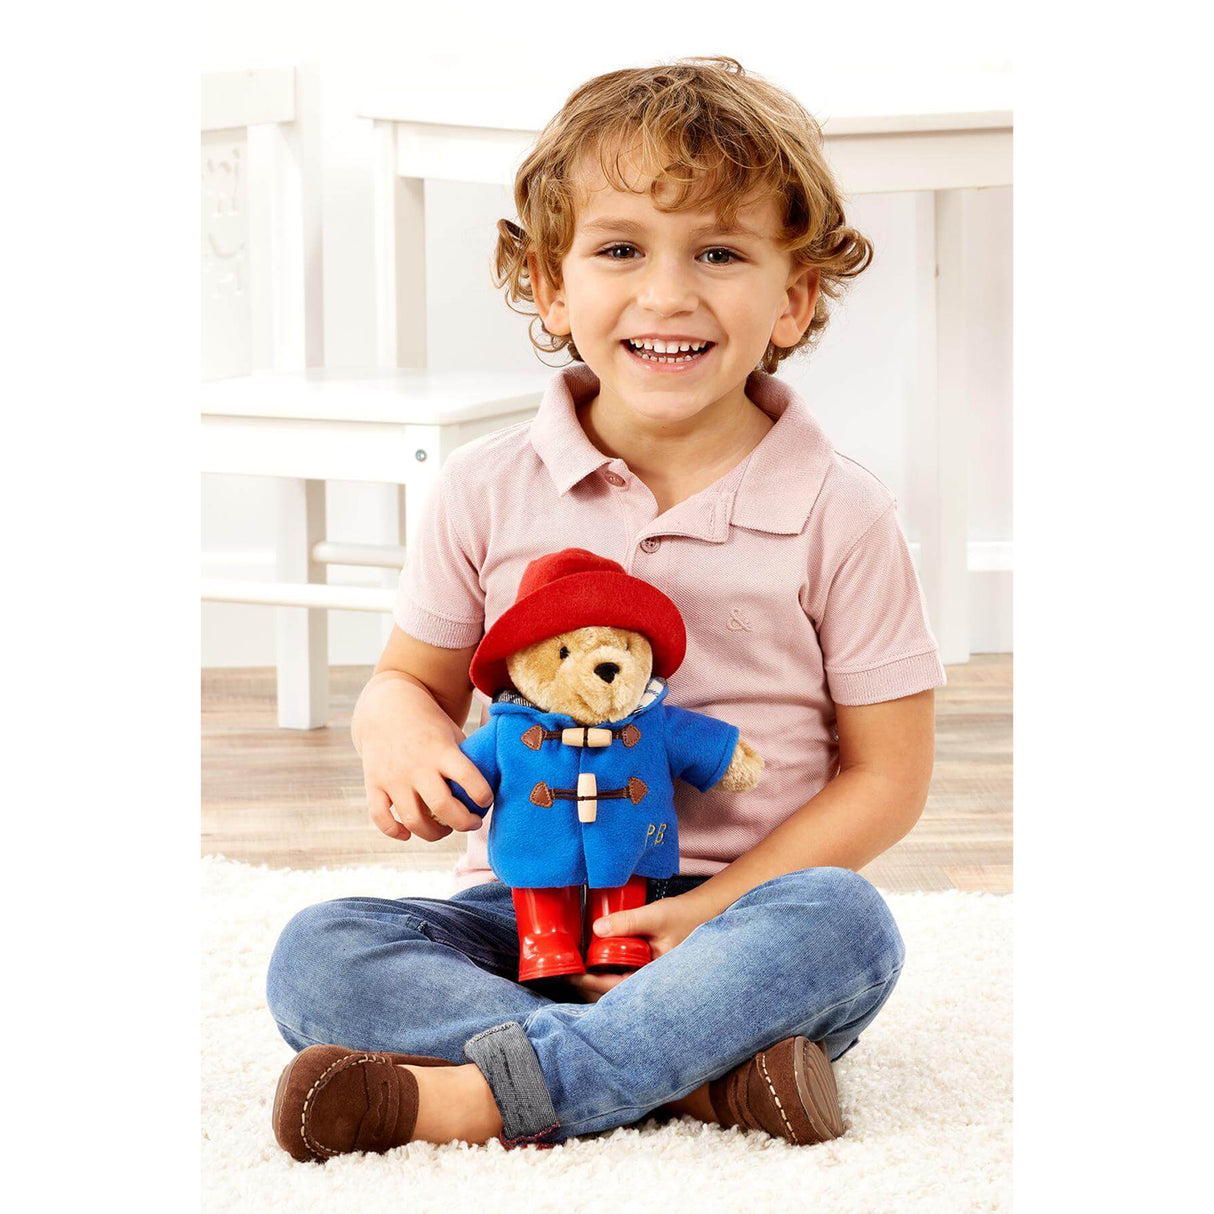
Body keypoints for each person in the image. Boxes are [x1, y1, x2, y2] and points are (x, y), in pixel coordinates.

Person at [266, 55, 946, 1162]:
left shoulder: (840, 508)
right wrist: (392, 724)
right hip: (518, 905)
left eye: (719, 253)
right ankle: (690, 1075)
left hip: (735, 917)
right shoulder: (484, 489)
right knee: (321, 948)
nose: (667, 293)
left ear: (793, 297)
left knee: (845, 924)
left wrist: (706, 908)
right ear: (548, 282)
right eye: (619, 249)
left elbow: (888, 775)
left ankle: (484, 1096)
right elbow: (409, 679)